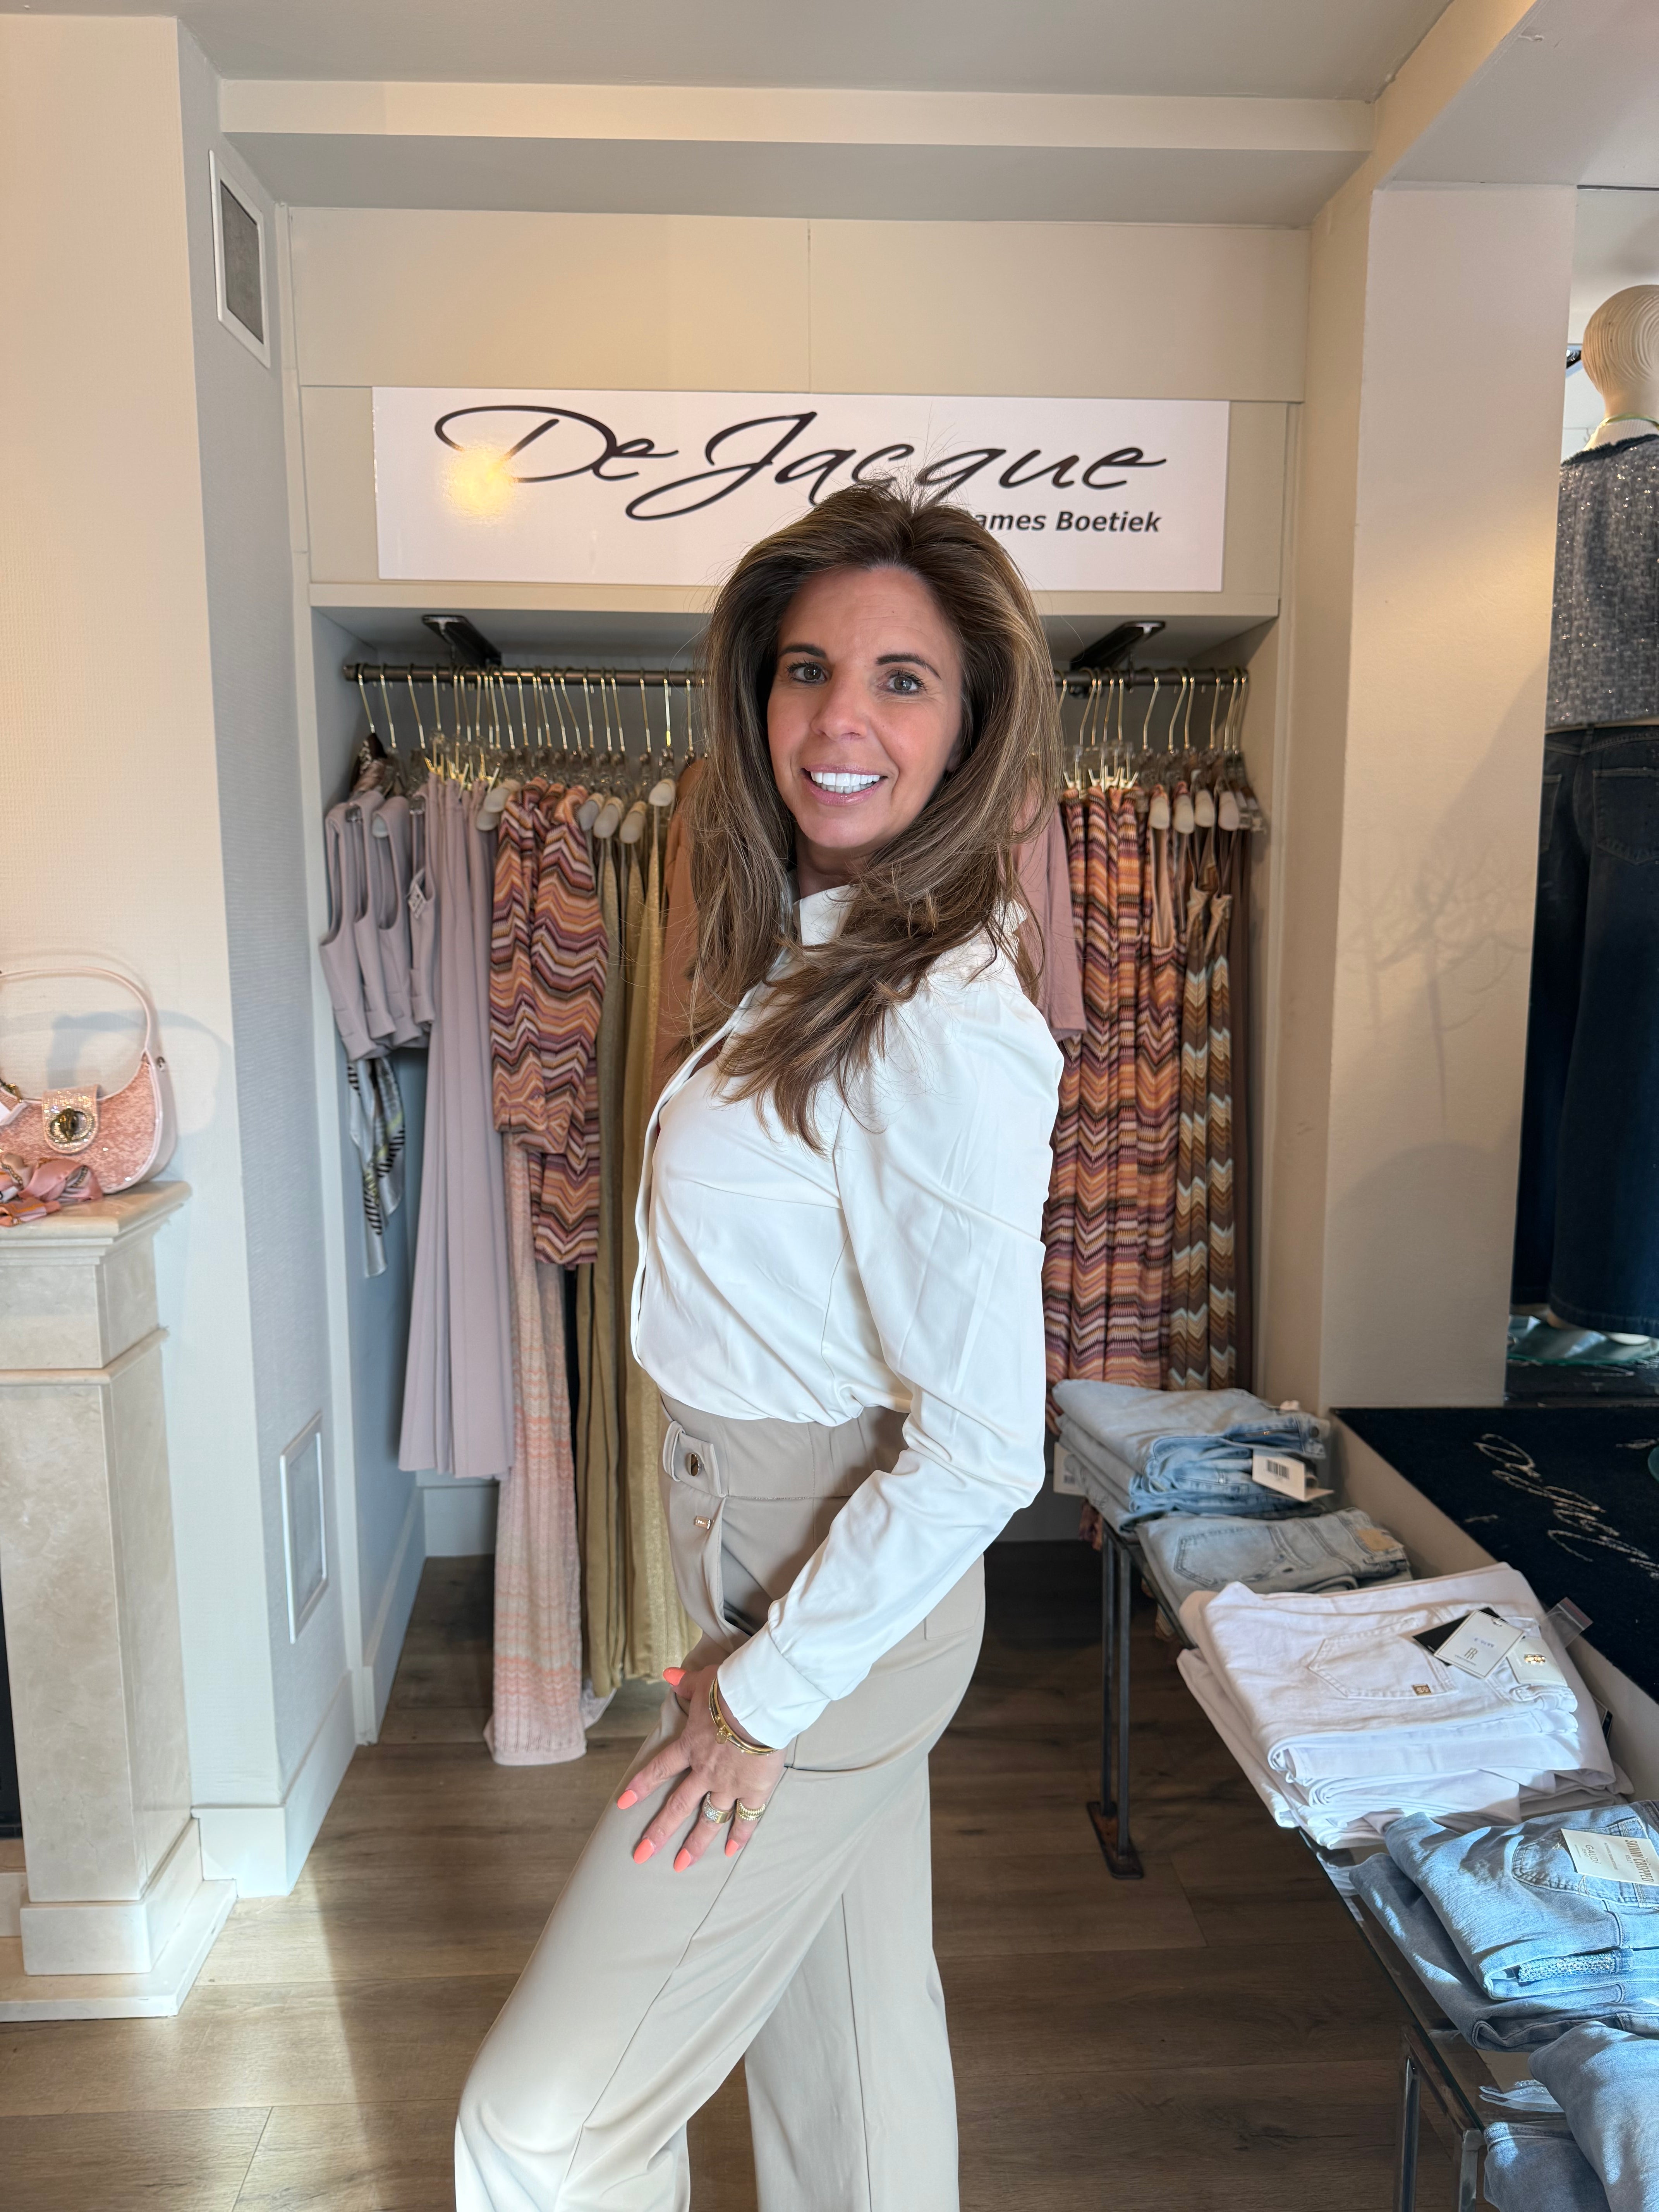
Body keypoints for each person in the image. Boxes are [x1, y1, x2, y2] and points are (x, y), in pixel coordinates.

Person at [455, 481, 1063, 2210]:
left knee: (542, 2127)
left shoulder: (941, 1019)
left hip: (839, 1609)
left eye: (901, 679)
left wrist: (764, 1694)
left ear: (970, 728)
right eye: (808, 669)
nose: (839, 719)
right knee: (851, 2065)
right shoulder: (811, 958)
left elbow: (983, 1446)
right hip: (777, 1565)